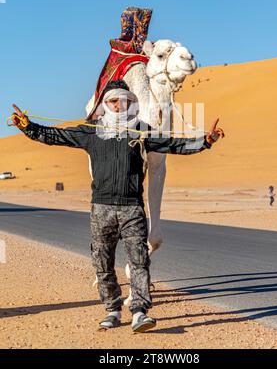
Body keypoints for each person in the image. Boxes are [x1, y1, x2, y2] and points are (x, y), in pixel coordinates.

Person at [11, 79, 225, 332]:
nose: (119, 105)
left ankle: (139, 312)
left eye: (125, 101)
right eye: (114, 101)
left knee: (139, 261)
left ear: (131, 103)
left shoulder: (141, 130)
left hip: (132, 208)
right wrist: (28, 127)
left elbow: (174, 144)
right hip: (100, 209)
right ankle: (112, 310)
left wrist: (205, 141)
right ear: (106, 103)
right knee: (102, 263)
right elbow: (56, 136)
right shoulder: (91, 131)